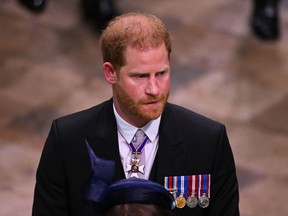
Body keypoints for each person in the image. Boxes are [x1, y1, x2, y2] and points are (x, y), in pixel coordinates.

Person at [32, 12, 239, 216]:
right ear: (110, 73)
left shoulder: (207, 141)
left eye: (161, 73)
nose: (154, 89)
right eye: (140, 76)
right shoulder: (68, 140)